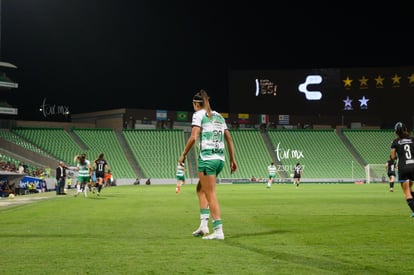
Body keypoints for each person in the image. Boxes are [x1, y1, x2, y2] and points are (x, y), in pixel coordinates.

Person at [178, 89, 237, 240]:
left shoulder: (198, 115)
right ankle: (203, 226)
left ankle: (218, 230)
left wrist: (183, 155)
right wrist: (232, 159)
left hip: (207, 158)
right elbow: (229, 139)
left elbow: (193, 137)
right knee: (200, 189)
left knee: (210, 193)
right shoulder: (218, 116)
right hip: (220, 159)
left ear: (196, 104)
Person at [390, 122, 414, 217]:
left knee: (407, 193)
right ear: (405, 129)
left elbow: (392, 157)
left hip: (403, 168)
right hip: (413, 165)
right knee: (411, 188)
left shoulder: (395, 142)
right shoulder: (412, 139)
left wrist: (397, 158)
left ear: (396, 132)